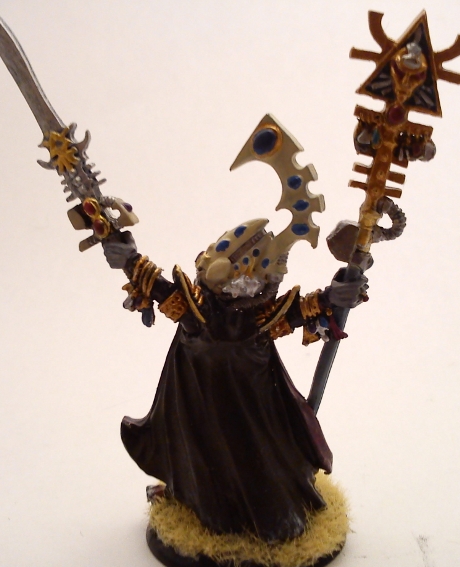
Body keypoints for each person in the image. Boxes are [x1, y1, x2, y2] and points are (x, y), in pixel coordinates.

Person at [102, 218, 367, 542]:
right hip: (199, 403)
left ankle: (271, 516)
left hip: (253, 408)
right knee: (200, 458)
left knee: (259, 462)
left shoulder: (260, 318)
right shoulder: (197, 312)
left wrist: (335, 295)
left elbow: (301, 310)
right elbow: (155, 285)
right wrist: (128, 257)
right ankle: (192, 497)